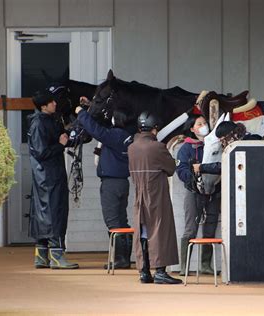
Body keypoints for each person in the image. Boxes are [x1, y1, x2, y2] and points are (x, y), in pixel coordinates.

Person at [75, 102, 133, 269]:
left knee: (113, 222)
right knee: (122, 221)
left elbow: (96, 130)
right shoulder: (127, 135)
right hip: (123, 182)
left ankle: (120, 260)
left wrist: (82, 113)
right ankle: (125, 258)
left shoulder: (114, 135)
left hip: (111, 183)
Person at [128, 111, 182, 284]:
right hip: (156, 193)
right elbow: (171, 168)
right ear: (155, 129)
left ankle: (144, 271)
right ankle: (160, 271)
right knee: (160, 229)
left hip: (139, 193)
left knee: (143, 231)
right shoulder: (158, 147)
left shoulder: (131, 147)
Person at [28, 91, 78, 269]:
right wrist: (61, 145)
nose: (55, 104)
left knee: (44, 212)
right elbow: (42, 152)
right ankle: (57, 254)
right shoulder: (39, 124)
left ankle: (41, 256)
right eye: (51, 102)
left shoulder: (47, 120)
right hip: (48, 176)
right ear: (43, 106)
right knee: (54, 211)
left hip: (48, 174)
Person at [176, 114, 220, 276]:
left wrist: (202, 168)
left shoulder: (215, 144)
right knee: (190, 230)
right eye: (199, 123)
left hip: (214, 192)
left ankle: (205, 265)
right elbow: (181, 171)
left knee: (210, 229)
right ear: (192, 129)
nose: (203, 125)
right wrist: (194, 180)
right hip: (194, 192)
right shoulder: (186, 149)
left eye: (205, 123)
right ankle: (184, 267)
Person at [192, 120, 262, 175]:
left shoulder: (248, 145)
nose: (224, 144)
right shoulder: (249, 141)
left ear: (232, 135)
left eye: (224, 140)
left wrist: (202, 167)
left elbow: (231, 166)